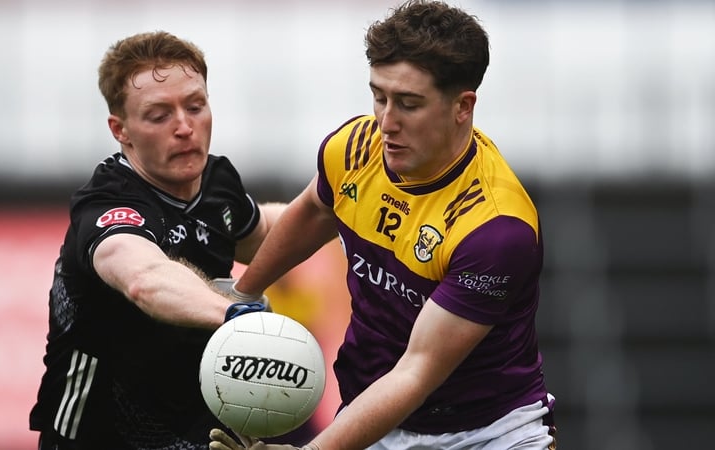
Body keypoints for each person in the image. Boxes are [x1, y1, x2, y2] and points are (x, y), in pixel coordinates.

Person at [210, 1, 557, 449]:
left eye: (409, 104)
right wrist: (242, 294)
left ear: (462, 106)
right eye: (379, 96)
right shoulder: (355, 148)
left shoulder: (496, 229)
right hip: (373, 417)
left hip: (490, 433)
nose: (386, 122)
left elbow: (416, 373)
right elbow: (316, 208)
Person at [28, 31, 285, 449]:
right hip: (94, 438)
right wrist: (238, 315)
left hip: (192, 430)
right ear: (121, 130)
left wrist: (337, 203)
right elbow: (145, 278)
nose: (185, 127)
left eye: (196, 107)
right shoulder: (108, 204)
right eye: (159, 115)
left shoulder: (217, 183)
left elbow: (263, 236)